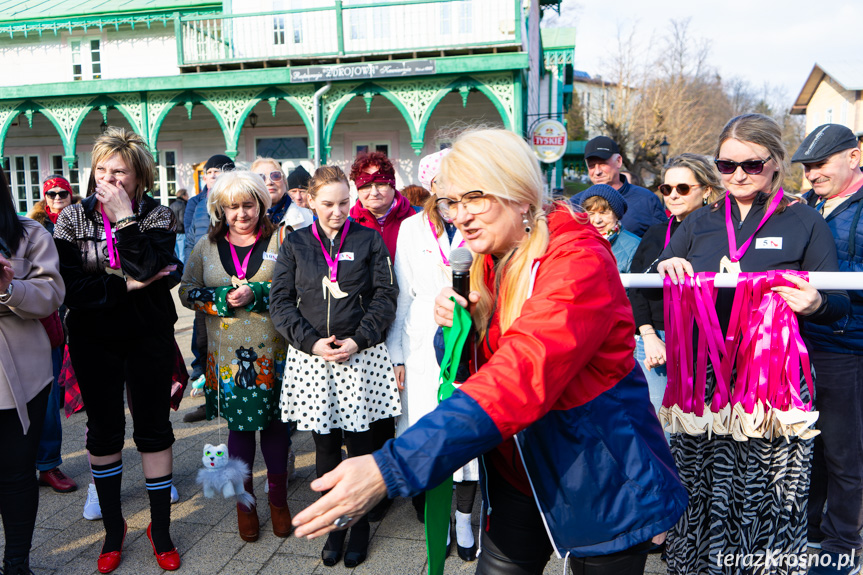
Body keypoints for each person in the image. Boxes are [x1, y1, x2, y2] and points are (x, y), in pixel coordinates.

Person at [290, 129, 687, 575]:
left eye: (473, 198)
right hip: (517, 475)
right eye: (451, 202)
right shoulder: (488, 254)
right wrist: (453, 329)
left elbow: (521, 376)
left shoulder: (577, 261)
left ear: (519, 194)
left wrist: (391, 467)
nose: (460, 216)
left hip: (599, 478)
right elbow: (469, 368)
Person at [657, 114, 850, 575]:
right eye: (726, 165)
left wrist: (817, 302)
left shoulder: (804, 220)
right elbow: (662, 264)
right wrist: (668, 264)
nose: (738, 174)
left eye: (752, 164)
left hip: (773, 380)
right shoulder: (700, 219)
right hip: (705, 378)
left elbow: (839, 304)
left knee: (769, 487)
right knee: (702, 481)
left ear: (775, 163)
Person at [53, 126, 181, 573]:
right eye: (101, 171)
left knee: (153, 428)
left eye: (120, 172)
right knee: (103, 431)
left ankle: (160, 530)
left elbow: (154, 266)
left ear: (139, 177)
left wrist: (126, 218)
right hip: (94, 338)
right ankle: (113, 530)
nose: (107, 180)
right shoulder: (72, 218)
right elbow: (71, 289)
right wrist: (127, 284)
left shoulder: (157, 215)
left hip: (149, 335)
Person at [270, 165, 400, 568]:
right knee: (325, 448)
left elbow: (385, 295)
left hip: (359, 356)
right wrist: (311, 342)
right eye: (328, 204)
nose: (337, 211)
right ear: (309, 201)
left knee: (361, 447)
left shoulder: (369, 239)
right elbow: (280, 302)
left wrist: (360, 338)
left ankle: (359, 528)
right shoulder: (295, 245)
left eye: (345, 202)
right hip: (314, 359)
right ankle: (336, 528)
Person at [179, 170, 293, 543]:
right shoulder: (204, 248)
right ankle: (245, 505)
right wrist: (218, 301)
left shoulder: (283, 238)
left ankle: (278, 501)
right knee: (239, 432)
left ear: (262, 204)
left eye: (248, 205)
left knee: (275, 429)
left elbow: (293, 287)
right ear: (220, 210)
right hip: (229, 360)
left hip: (276, 356)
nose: (241, 214)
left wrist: (256, 294)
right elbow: (187, 291)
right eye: (233, 207)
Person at [386, 149, 479, 561]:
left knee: (470, 434)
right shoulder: (410, 228)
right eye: (442, 182)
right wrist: (397, 354)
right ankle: (438, 519)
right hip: (422, 339)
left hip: (472, 337)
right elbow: (403, 293)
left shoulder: (479, 224)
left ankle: (463, 518)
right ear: (432, 186)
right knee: (429, 432)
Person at [792, 123, 863, 574]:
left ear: (854, 156)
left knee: (843, 449)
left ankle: (843, 547)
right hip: (805, 343)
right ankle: (815, 533)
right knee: (811, 446)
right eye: (807, 166)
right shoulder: (813, 206)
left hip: (847, 346)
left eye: (820, 164)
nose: (811, 174)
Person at [0, 165, 66, 575]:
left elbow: (51, 294)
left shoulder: (29, 233)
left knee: (16, 472)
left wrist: (8, 289)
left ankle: (17, 563)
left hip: (22, 376)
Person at [347, 150, 416, 521]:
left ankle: (406, 479)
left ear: (393, 185)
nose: (374, 192)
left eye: (381, 184)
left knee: (402, 406)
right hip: (365, 326)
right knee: (371, 410)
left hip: (404, 320)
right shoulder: (350, 221)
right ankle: (377, 484)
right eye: (366, 185)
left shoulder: (414, 219)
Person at [628, 154, 724, 416]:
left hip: (708, 342)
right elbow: (635, 288)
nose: (672, 196)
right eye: (666, 189)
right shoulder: (656, 232)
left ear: (706, 190)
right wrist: (648, 337)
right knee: (664, 430)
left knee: (707, 428)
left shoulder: (726, 234)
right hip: (657, 341)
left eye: (682, 188)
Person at [26, 175, 80, 494]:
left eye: (62, 193)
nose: (57, 197)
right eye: (51, 193)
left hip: (55, 316)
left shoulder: (79, 224)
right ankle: (17, 466)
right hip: (21, 319)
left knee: (48, 396)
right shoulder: (32, 227)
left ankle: (48, 464)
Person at [184, 154, 234, 418]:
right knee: (203, 341)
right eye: (209, 171)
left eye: (220, 171)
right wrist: (190, 273)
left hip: (232, 279)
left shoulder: (235, 201)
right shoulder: (197, 203)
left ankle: (234, 397)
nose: (213, 175)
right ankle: (210, 400)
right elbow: (191, 239)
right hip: (205, 282)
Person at [584, 135, 666, 237]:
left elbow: (662, 243)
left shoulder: (647, 200)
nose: (597, 172)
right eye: (591, 166)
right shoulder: (576, 204)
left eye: (603, 164)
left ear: (618, 161)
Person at [572, 184, 641, 273]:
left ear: (616, 215)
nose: (597, 220)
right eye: (591, 213)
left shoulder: (635, 245)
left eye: (603, 213)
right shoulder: (576, 243)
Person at [250, 157, 314, 238]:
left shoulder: (309, 218)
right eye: (261, 177)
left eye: (275, 176)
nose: (269, 182)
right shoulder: (242, 221)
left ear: (285, 182)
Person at [169, 189, 187, 263]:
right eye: (187, 195)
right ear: (183, 196)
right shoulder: (182, 205)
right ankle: (182, 271)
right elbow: (182, 220)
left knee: (176, 254)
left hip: (173, 231)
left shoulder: (172, 204)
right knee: (182, 254)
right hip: (181, 232)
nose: (188, 196)